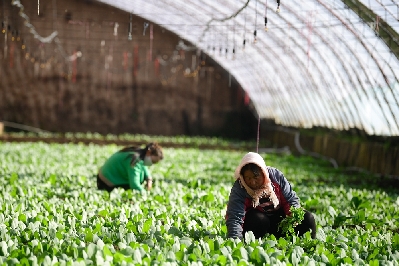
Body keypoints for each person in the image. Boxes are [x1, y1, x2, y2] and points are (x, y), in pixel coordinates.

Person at [225, 152, 316, 240]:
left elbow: (290, 199)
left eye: (256, 177)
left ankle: (309, 243)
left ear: (263, 173)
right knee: (260, 220)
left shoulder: (276, 176)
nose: (252, 182)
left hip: (279, 221)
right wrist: (235, 241)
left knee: (307, 218)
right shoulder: (240, 187)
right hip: (258, 224)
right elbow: (235, 217)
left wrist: (293, 215)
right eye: (248, 178)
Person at [97, 142, 163, 192]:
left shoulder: (139, 153)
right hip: (106, 182)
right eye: (153, 161)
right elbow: (134, 185)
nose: (151, 164)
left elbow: (144, 168)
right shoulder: (135, 160)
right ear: (148, 153)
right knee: (136, 185)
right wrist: (146, 194)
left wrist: (149, 179)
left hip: (102, 177)